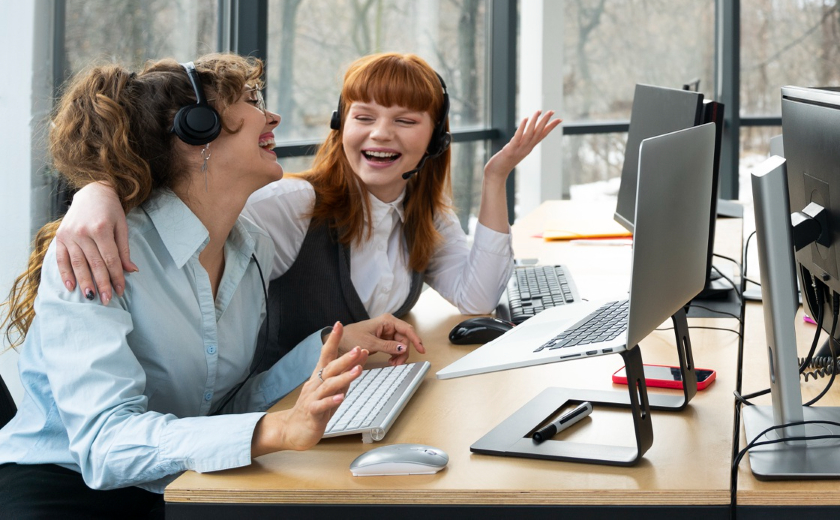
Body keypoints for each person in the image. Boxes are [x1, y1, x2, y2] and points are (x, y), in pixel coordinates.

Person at [0, 55, 403, 518]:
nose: (272, 117)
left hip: (176, 481)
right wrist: (275, 431)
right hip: (63, 490)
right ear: (198, 130)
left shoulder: (252, 247)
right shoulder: (101, 250)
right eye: (251, 101)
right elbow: (105, 444)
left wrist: (327, 350)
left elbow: (220, 404)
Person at [50, 52, 560, 367]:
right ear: (341, 124)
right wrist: (99, 188)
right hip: (275, 415)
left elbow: (477, 298)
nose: (381, 133)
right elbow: (188, 210)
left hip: (311, 409)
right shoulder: (291, 205)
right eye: (364, 116)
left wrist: (495, 179)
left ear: (436, 139)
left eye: (405, 120)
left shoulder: (423, 214)